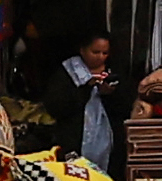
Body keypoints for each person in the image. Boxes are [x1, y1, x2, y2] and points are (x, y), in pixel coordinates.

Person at [46, 32, 122, 169]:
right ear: (82, 50)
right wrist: (87, 88)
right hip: (73, 139)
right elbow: (56, 107)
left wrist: (108, 93)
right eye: (95, 52)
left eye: (105, 53)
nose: (100, 57)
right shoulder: (66, 72)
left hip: (107, 144)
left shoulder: (113, 71)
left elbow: (123, 106)